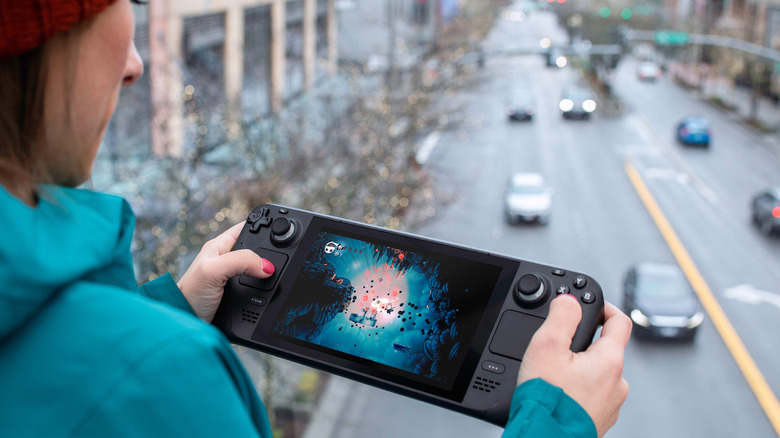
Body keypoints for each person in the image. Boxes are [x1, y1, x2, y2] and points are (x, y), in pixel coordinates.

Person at [0, 1, 631, 437]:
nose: (134, 63)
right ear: (39, 43)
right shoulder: (165, 377)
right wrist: (556, 424)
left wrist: (161, 310)